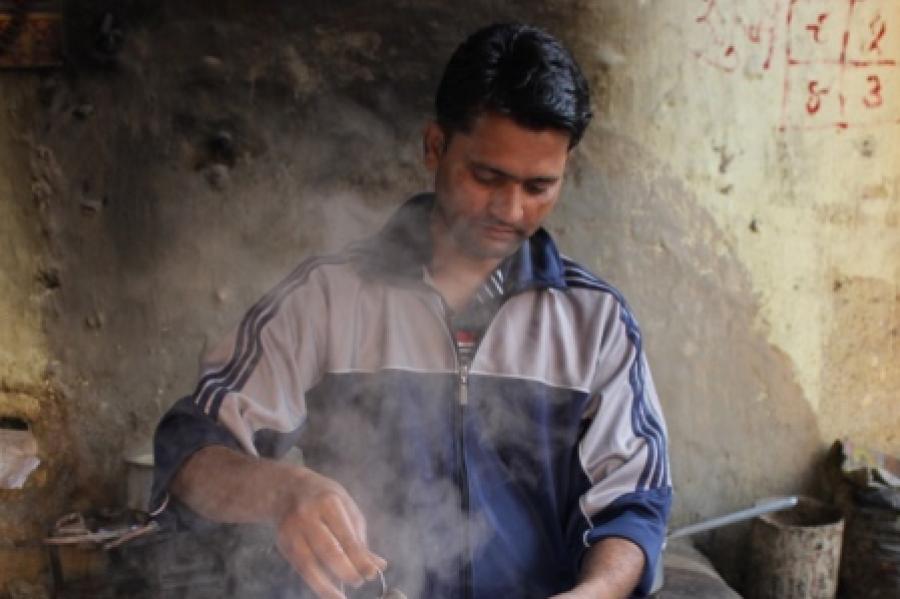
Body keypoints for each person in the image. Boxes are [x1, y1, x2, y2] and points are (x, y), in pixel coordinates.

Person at [151, 22, 671, 599]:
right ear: (434, 146)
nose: (511, 209)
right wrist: (284, 489)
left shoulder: (593, 324)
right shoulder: (327, 297)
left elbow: (633, 506)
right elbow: (191, 449)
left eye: (539, 186)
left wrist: (593, 593)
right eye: (487, 176)